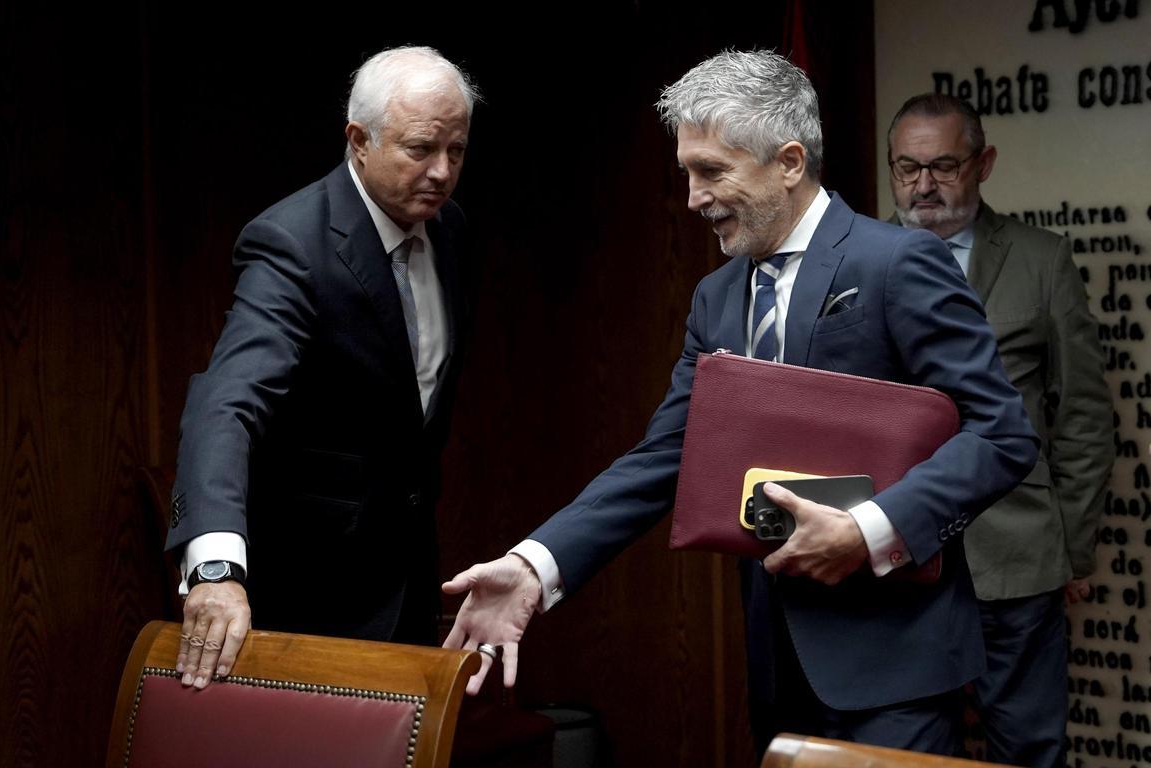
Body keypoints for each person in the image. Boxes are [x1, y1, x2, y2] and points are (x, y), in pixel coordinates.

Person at [441, 50, 1038, 754]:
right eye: (687, 172)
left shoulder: (899, 263)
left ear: (789, 162)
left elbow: (1002, 434)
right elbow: (668, 453)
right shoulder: (716, 296)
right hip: (775, 668)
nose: (693, 197)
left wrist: (870, 529)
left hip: (894, 666)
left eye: (711, 171)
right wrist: (535, 567)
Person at [165, 46, 479, 690]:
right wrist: (216, 568)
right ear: (358, 141)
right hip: (312, 590)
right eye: (421, 149)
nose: (442, 172)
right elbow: (226, 403)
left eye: (458, 150)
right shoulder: (292, 244)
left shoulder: (452, 233)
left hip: (411, 574)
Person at [886, 93, 1113, 768]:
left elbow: (1081, 415)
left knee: (1029, 752)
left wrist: (1070, 548)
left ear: (983, 164)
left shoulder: (1042, 260)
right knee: (904, 752)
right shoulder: (856, 258)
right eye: (907, 168)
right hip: (895, 561)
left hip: (1016, 559)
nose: (924, 185)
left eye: (944, 166)